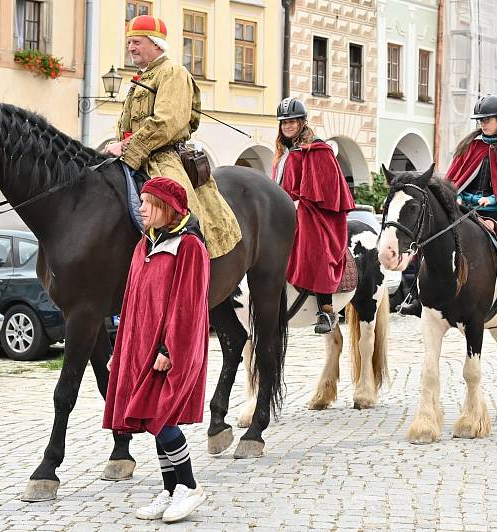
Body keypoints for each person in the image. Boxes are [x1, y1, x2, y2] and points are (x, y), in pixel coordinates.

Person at [103, 177, 209, 523]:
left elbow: (187, 304)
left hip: (167, 350)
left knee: (161, 418)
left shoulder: (189, 246)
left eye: (149, 202)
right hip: (139, 349)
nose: (142, 208)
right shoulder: (143, 245)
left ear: (167, 208)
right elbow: (131, 303)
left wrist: (168, 348)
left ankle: (189, 486)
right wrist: (121, 350)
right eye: (142, 201)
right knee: (150, 418)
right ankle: (169, 489)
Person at [400, 95, 497, 321]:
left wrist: (492, 200)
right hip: (465, 209)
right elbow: (454, 180)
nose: (483, 123)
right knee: (433, 234)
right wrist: (460, 196)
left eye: (487, 119)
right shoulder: (471, 145)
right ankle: (416, 295)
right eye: (480, 120)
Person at [101, 15, 241, 259]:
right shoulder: (141, 78)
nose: (130, 48)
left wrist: (126, 147)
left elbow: (167, 121)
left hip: (162, 158)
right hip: (133, 154)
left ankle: (193, 259)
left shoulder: (173, 73)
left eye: (136, 42)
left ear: (155, 44)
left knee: (179, 211)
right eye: (129, 43)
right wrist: (116, 144)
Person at [271, 97, 356, 334]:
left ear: (302, 122)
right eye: (284, 123)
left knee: (314, 246)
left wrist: (299, 203)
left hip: (315, 214)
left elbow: (328, 190)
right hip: (284, 210)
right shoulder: (283, 153)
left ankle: (326, 310)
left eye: (292, 122)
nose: (287, 126)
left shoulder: (318, 149)